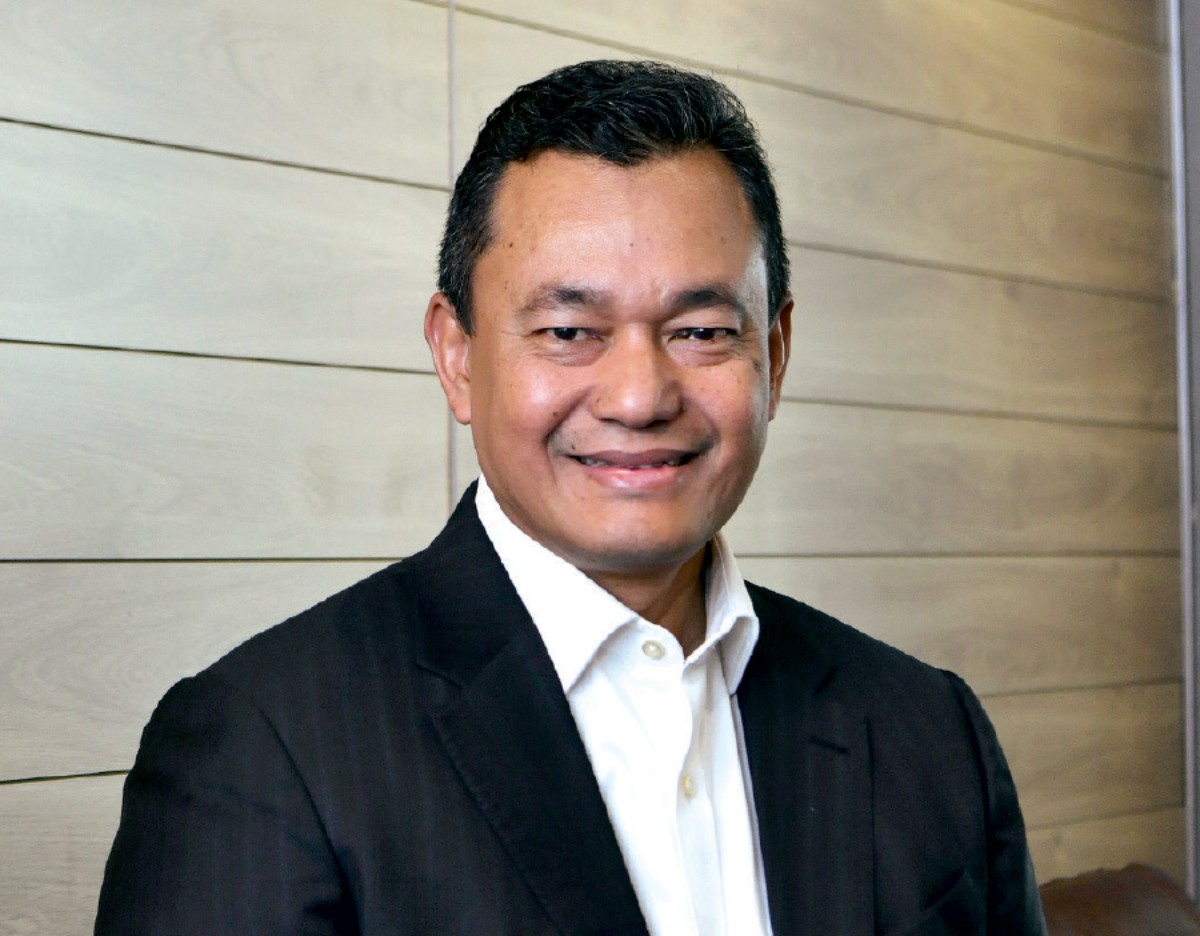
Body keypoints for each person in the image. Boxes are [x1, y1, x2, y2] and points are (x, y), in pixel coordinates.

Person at [95, 60, 1047, 935]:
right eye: (567, 331)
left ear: (776, 354)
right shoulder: (262, 747)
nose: (639, 397)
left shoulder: (930, 730)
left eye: (702, 331)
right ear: (457, 356)